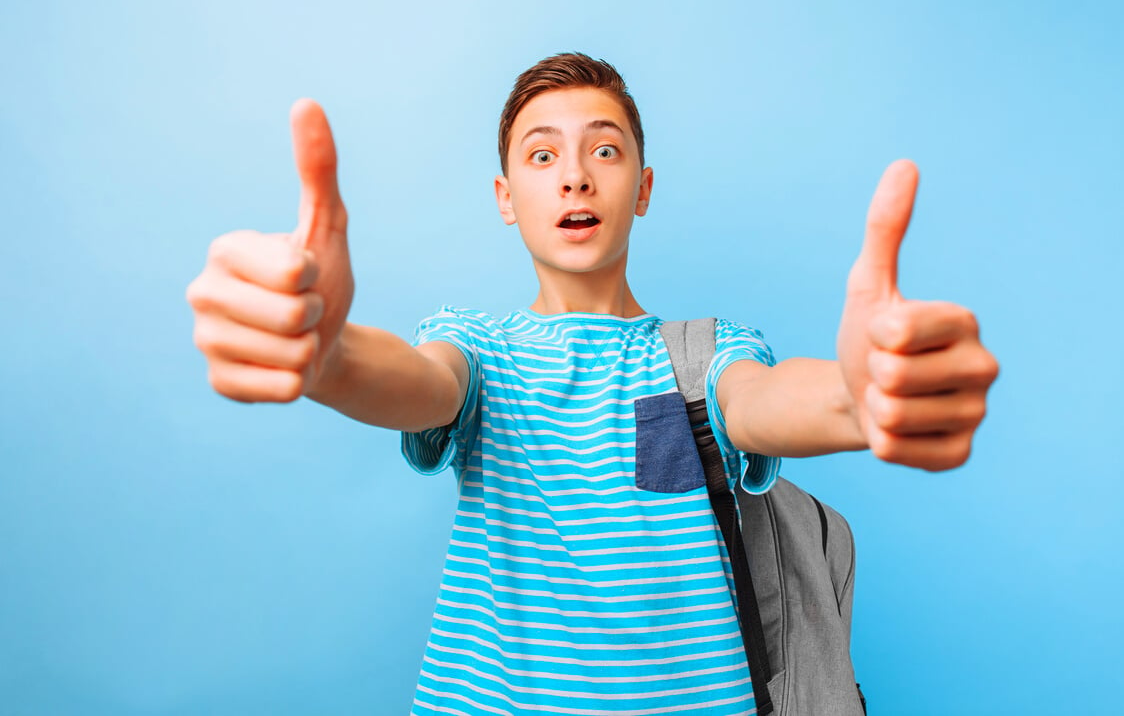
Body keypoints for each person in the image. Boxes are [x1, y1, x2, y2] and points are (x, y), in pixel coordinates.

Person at [186, 52, 998, 715]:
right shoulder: (478, 347)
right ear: (507, 199)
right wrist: (327, 359)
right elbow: (413, 378)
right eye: (542, 155)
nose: (574, 175)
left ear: (642, 188)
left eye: (604, 149)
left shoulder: (703, 352)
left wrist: (861, 398)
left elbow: (762, 402)